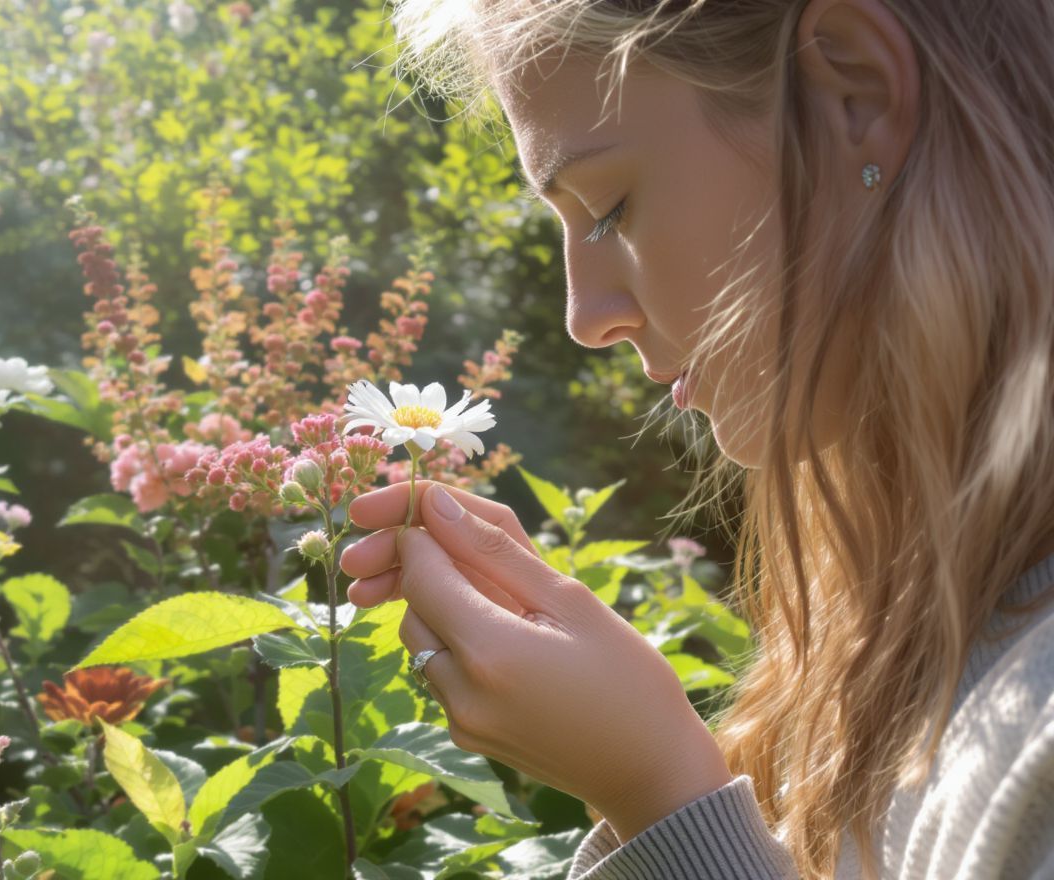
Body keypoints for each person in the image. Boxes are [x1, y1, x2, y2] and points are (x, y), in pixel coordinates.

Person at [339, 1, 1054, 877]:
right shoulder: (929, 598)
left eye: (608, 208)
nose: (585, 316)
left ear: (856, 96)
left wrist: (661, 797)